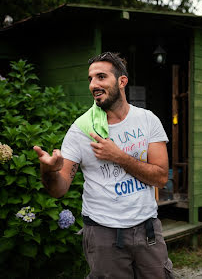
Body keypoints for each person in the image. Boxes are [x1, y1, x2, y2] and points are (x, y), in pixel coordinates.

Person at [33, 52, 174, 278]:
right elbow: (58, 190)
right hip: (103, 234)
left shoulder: (148, 120)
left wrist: (118, 156)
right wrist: (48, 170)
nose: (93, 85)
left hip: (148, 230)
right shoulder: (81, 129)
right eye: (90, 79)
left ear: (122, 81)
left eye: (101, 77)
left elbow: (160, 177)